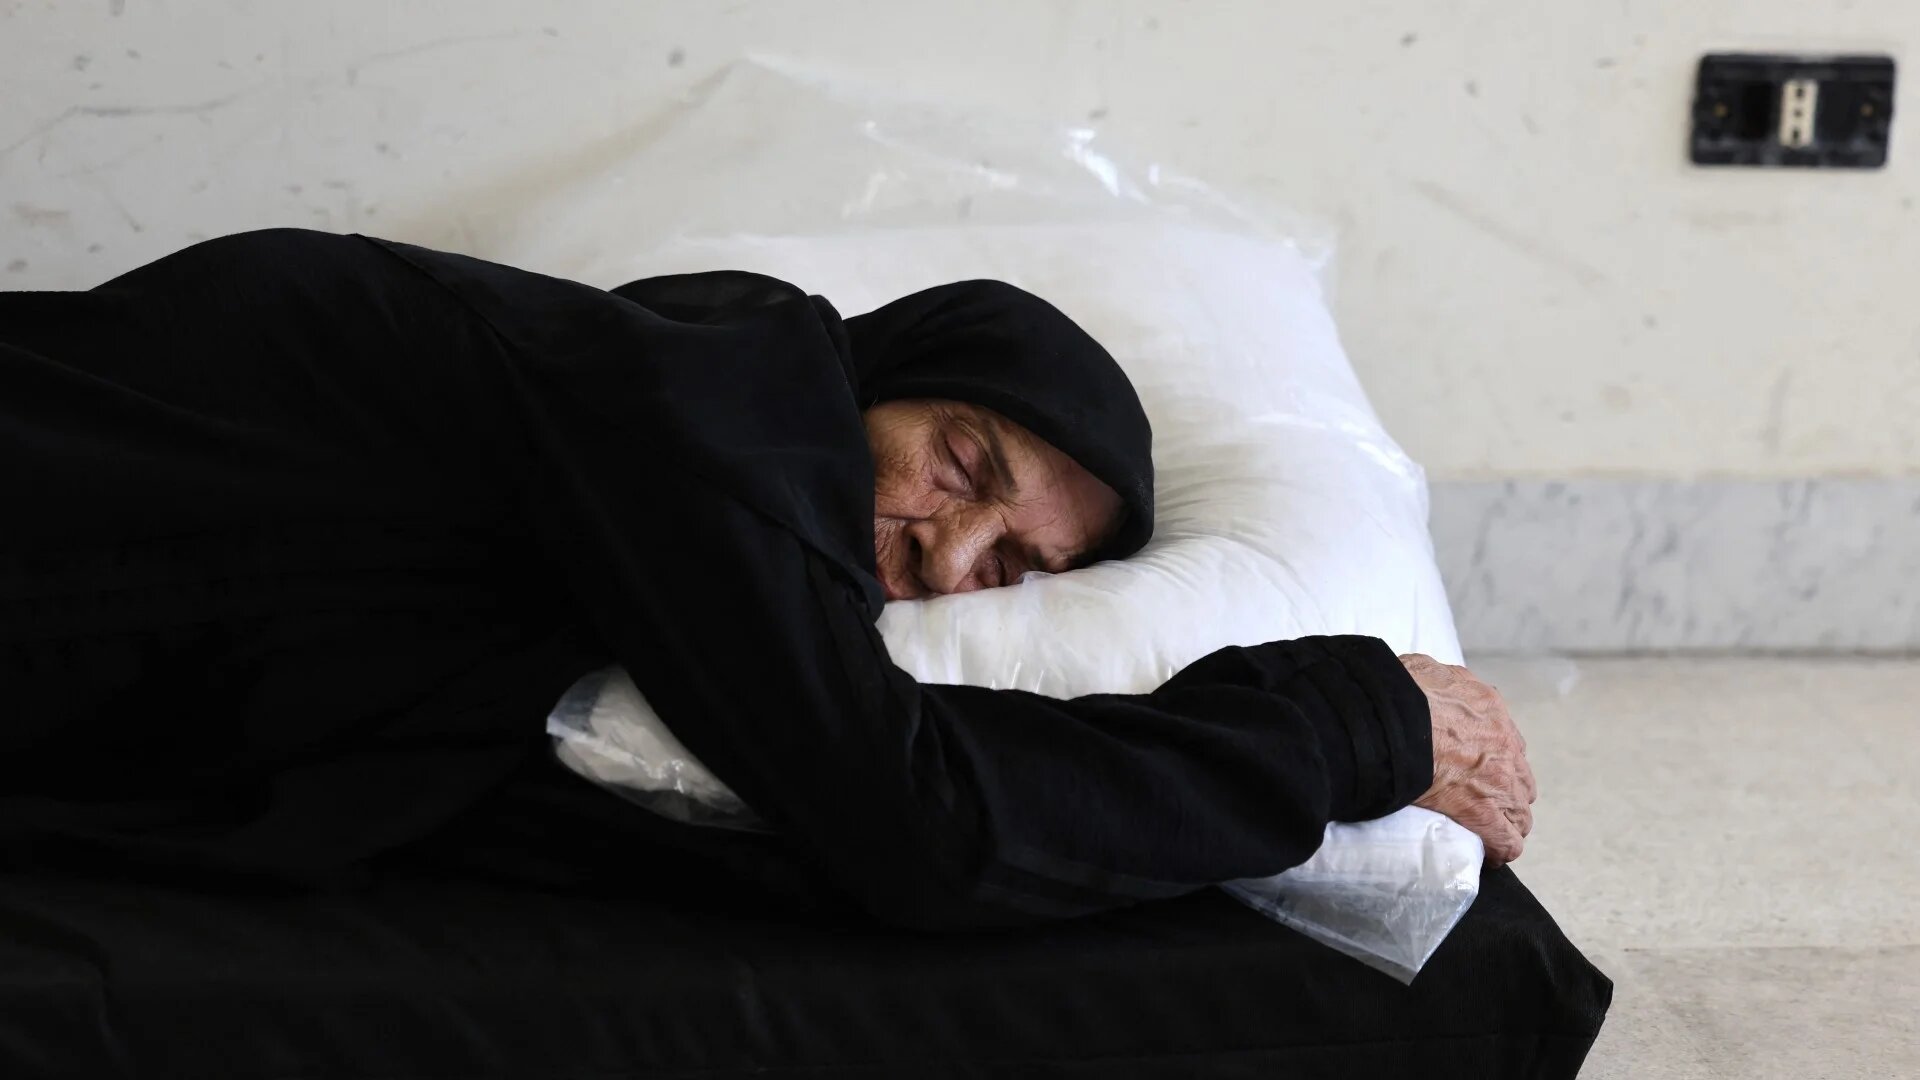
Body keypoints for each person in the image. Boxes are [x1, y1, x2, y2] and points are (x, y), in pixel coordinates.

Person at [0, 229, 1533, 927]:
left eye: (1011, 561)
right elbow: (910, 813)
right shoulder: (716, 404)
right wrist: (1340, 724)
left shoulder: (652, 520)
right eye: (962, 462)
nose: (947, 548)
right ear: (888, 373)